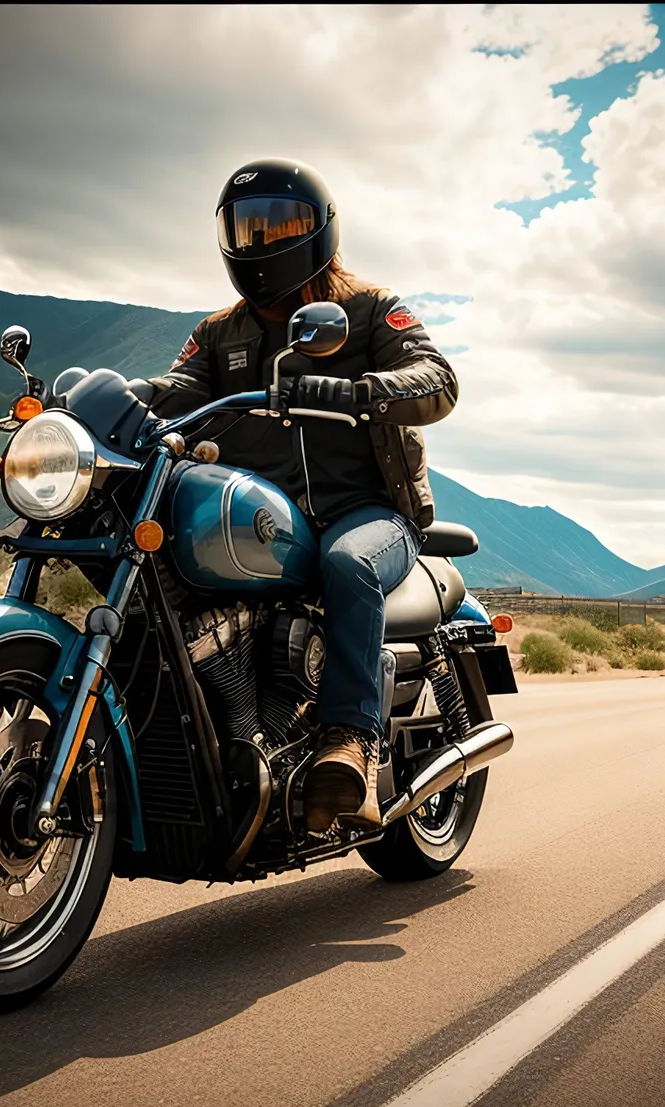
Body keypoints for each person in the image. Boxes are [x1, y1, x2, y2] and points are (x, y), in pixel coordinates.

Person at [149, 158, 458, 835]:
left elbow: (436, 378)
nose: (260, 242)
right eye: (246, 227)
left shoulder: (370, 308)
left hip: (368, 513)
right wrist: (117, 398)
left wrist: (363, 391)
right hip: (268, 519)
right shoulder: (217, 333)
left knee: (346, 563)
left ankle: (350, 739)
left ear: (318, 230)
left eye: (278, 225)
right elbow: (176, 392)